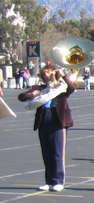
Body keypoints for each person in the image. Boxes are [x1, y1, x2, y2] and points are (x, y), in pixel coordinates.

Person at [18, 62, 77, 192]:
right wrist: (34, 93)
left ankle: (58, 181)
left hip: (58, 120)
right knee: (46, 152)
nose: (47, 74)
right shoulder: (41, 87)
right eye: (45, 72)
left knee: (57, 152)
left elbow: (72, 87)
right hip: (43, 119)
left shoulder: (62, 87)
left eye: (49, 72)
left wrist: (64, 76)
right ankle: (49, 181)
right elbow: (22, 97)